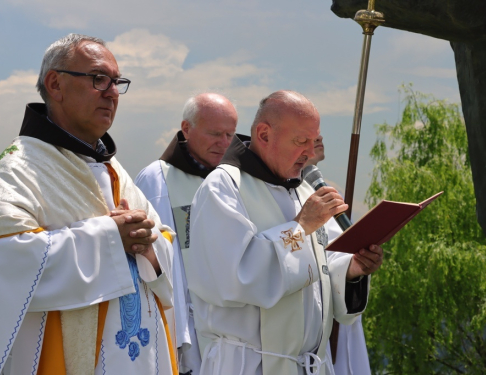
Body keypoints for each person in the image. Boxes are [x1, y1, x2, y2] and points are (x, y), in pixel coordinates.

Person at [0, 34, 177, 375]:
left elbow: (164, 239)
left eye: (117, 82)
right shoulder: (17, 169)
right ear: (55, 84)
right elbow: (9, 258)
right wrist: (112, 237)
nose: (112, 92)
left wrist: (149, 244)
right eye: (98, 79)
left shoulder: (114, 170)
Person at [186, 90, 383, 375]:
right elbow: (237, 277)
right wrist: (300, 228)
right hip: (250, 365)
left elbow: (326, 263)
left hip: (309, 365)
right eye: (300, 141)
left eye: (313, 142)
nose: (309, 153)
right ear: (264, 135)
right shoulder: (223, 187)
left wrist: (353, 269)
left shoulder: (304, 189)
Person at [135, 93, 238, 374]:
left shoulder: (235, 180)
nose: (225, 143)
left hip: (234, 335)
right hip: (187, 333)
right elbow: (161, 264)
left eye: (230, 134)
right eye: (215, 133)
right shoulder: (158, 180)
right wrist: (177, 338)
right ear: (186, 128)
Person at [305, 135, 372, 375]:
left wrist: (353, 268)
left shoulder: (323, 188)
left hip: (339, 305)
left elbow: (335, 253)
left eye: (319, 132)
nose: (320, 137)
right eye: (308, 135)